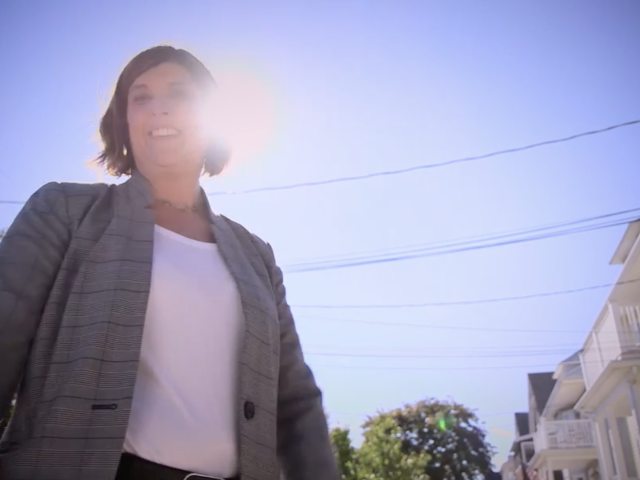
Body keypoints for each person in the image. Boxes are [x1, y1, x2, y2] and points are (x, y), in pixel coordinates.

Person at [0, 45, 339, 480]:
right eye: (141, 97)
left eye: (179, 94)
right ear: (124, 123)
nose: (159, 108)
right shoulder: (64, 211)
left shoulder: (256, 256)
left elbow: (296, 403)